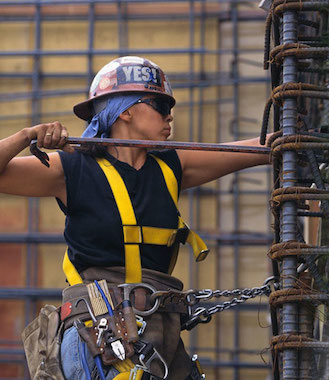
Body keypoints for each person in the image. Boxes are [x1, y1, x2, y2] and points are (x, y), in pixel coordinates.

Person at [7, 56, 267, 379]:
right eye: (159, 104)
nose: (169, 115)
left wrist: (290, 139)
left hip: (158, 334)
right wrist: (25, 136)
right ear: (125, 111)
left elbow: (252, 151)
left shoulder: (172, 166)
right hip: (98, 338)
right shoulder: (72, 169)